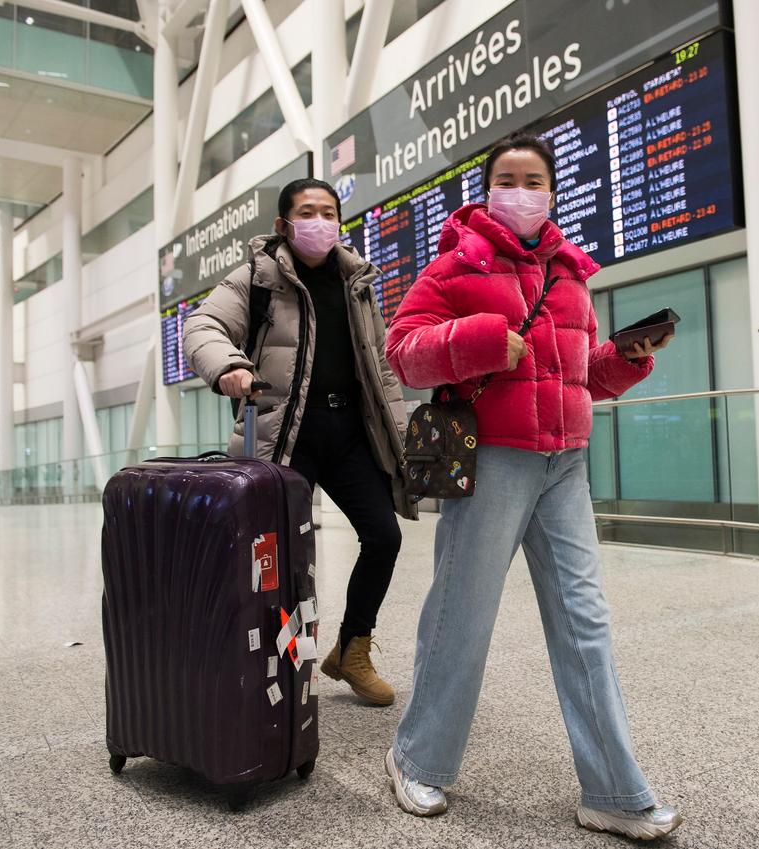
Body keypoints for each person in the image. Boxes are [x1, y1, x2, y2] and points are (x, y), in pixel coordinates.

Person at [381, 133, 680, 839]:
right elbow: (402, 353)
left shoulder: (571, 274)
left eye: (534, 179)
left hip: (565, 464)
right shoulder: (456, 265)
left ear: (552, 190)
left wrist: (624, 359)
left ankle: (611, 789)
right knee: (463, 618)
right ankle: (415, 755)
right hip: (494, 461)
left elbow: (577, 375)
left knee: (586, 623)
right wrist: (480, 339)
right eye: (507, 179)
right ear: (487, 190)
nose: (521, 190)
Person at [183, 177, 417, 707]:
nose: (320, 222)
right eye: (308, 212)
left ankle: (352, 648)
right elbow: (201, 327)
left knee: (384, 537)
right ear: (284, 225)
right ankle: (285, 665)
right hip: (284, 434)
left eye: (329, 212)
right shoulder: (256, 278)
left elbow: (377, 365)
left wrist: (400, 437)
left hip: (350, 434)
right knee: (283, 558)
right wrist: (228, 367)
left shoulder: (356, 281)